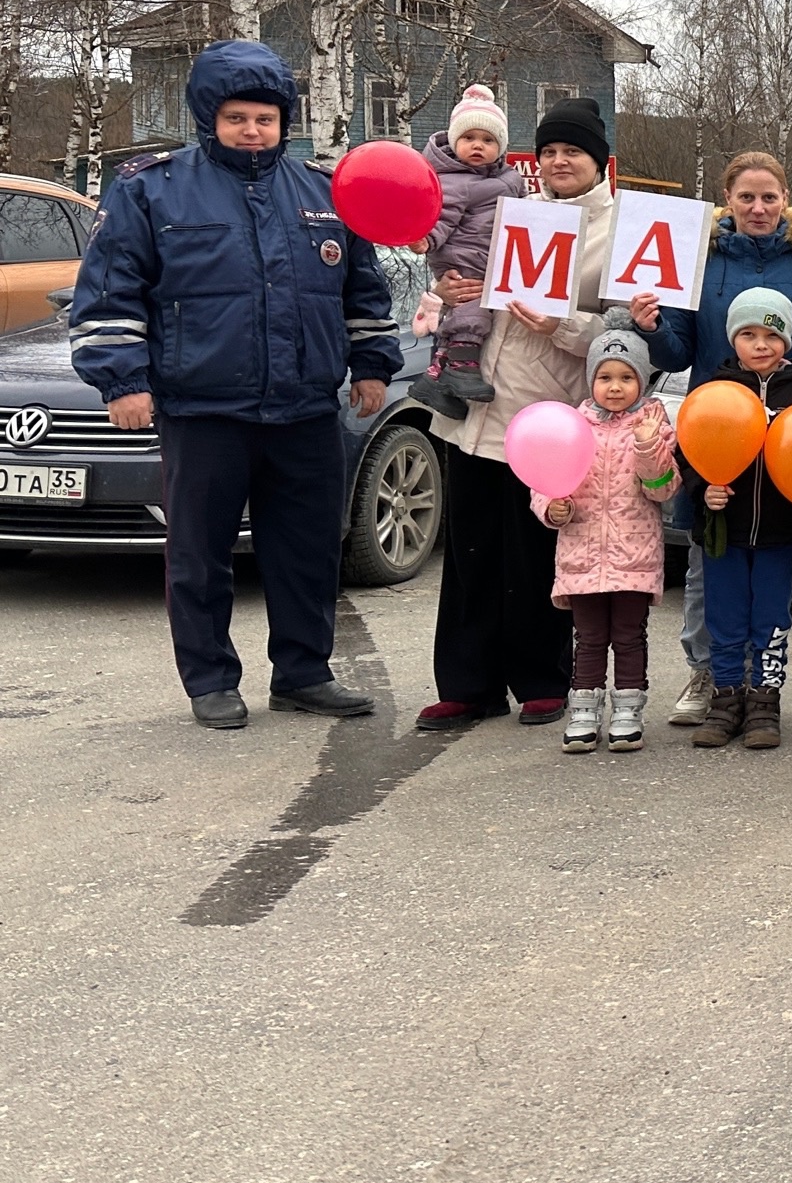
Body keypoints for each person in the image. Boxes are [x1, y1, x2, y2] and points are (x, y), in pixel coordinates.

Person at [69, 41, 400, 728]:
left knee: (306, 551)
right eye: (238, 117)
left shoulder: (322, 194)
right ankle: (211, 679)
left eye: (266, 118)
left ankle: (303, 673)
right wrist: (122, 381)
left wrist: (372, 366)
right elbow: (108, 295)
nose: (254, 130)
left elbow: (363, 291)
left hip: (305, 408)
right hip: (202, 407)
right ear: (208, 117)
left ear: (285, 121)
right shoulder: (151, 189)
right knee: (200, 553)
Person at [629, 151, 792, 728]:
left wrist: (780, 372)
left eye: (770, 197)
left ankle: (762, 688)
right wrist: (653, 328)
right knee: (712, 557)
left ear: (787, 200)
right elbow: (678, 350)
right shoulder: (698, 258)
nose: (758, 208)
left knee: (775, 560)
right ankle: (710, 672)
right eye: (746, 198)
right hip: (717, 430)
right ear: (726, 201)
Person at [417, 94, 620, 731]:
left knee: (534, 556)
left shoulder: (620, 232)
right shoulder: (513, 212)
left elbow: (628, 342)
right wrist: (446, 283)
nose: (560, 161)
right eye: (552, 150)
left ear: (599, 162)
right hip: (476, 409)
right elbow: (457, 268)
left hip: (547, 420)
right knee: (470, 554)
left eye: (574, 152)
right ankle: (467, 684)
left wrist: (563, 325)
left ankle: (542, 678)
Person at [680, 289, 792, 752]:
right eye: (748, 334)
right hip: (723, 532)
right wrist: (702, 488)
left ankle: (765, 701)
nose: (760, 344)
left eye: (771, 334)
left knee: (770, 618)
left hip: (781, 536)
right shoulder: (714, 390)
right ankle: (726, 700)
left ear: (787, 339)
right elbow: (687, 451)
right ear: (732, 339)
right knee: (724, 619)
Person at [531, 330, 677, 753]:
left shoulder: (654, 425)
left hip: (635, 555)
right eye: (605, 377)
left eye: (627, 378)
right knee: (589, 637)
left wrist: (649, 444)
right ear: (591, 380)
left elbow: (663, 489)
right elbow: (547, 478)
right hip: (581, 554)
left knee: (629, 636)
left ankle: (628, 709)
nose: (615, 387)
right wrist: (551, 508)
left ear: (643, 381)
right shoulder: (571, 426)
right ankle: (584, 710)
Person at [411, 82, 526, 416]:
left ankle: (434, 379)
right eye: (469, 138)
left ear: (501, 147)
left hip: (485, 258)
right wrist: (426, 239)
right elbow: (440, 217)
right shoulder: (453, 181)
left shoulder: (508, 178)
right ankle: (463, 369)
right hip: (462, 257)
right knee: (471, 308)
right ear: (453, 141)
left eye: (488, 140)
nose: (478, 146)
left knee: (467, 305)